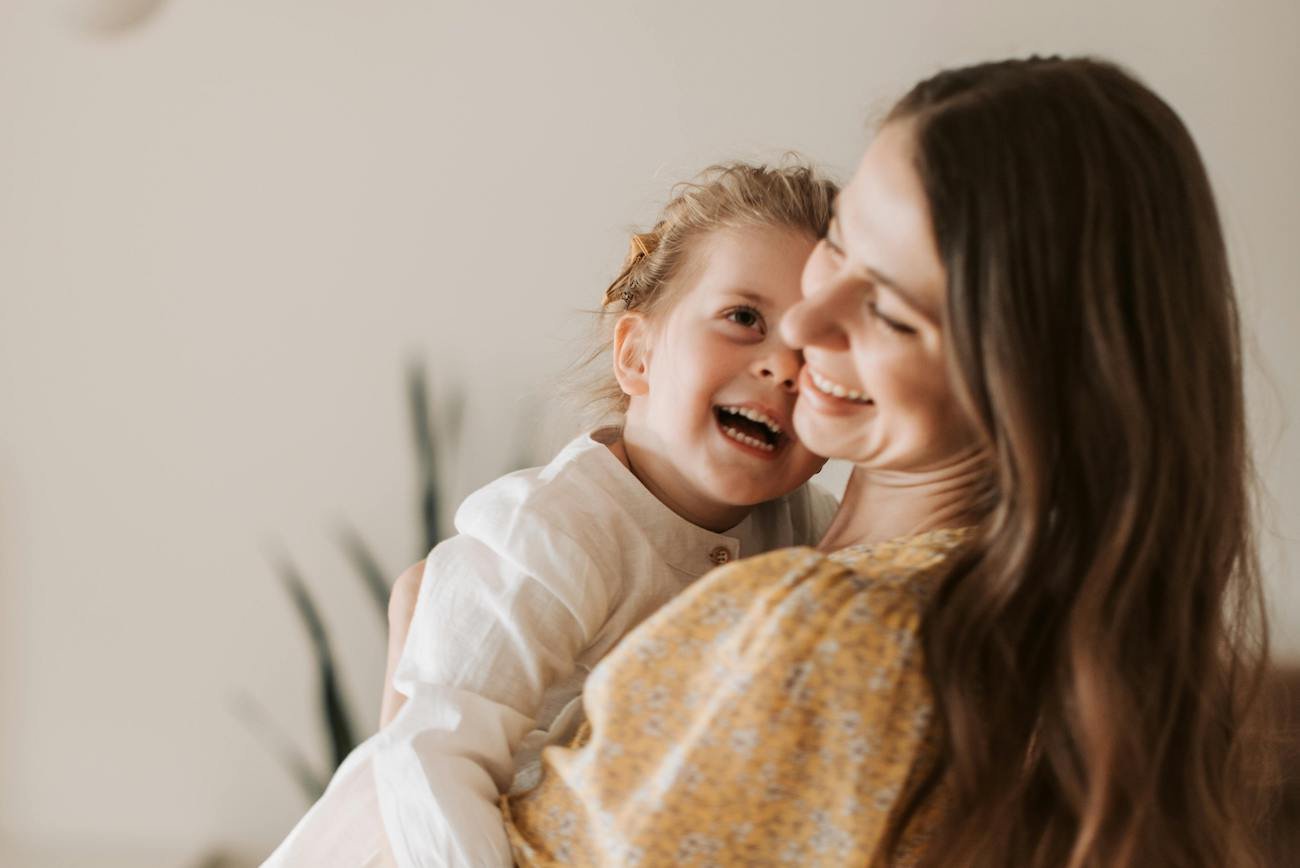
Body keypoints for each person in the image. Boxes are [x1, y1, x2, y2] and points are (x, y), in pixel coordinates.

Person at [498, 56, 1268, 867]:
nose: (806, 325)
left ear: (1032, 387)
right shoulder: (1060, 651)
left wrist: (425, 677)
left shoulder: (831, 637)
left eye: (894, 314)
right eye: (840, 241)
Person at [263, 162, 841, 867]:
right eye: (744, 319)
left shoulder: (807, 528)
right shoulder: (555, 529)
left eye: (821, 350)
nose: (785, 367)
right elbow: (435, 754)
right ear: (637, 355)